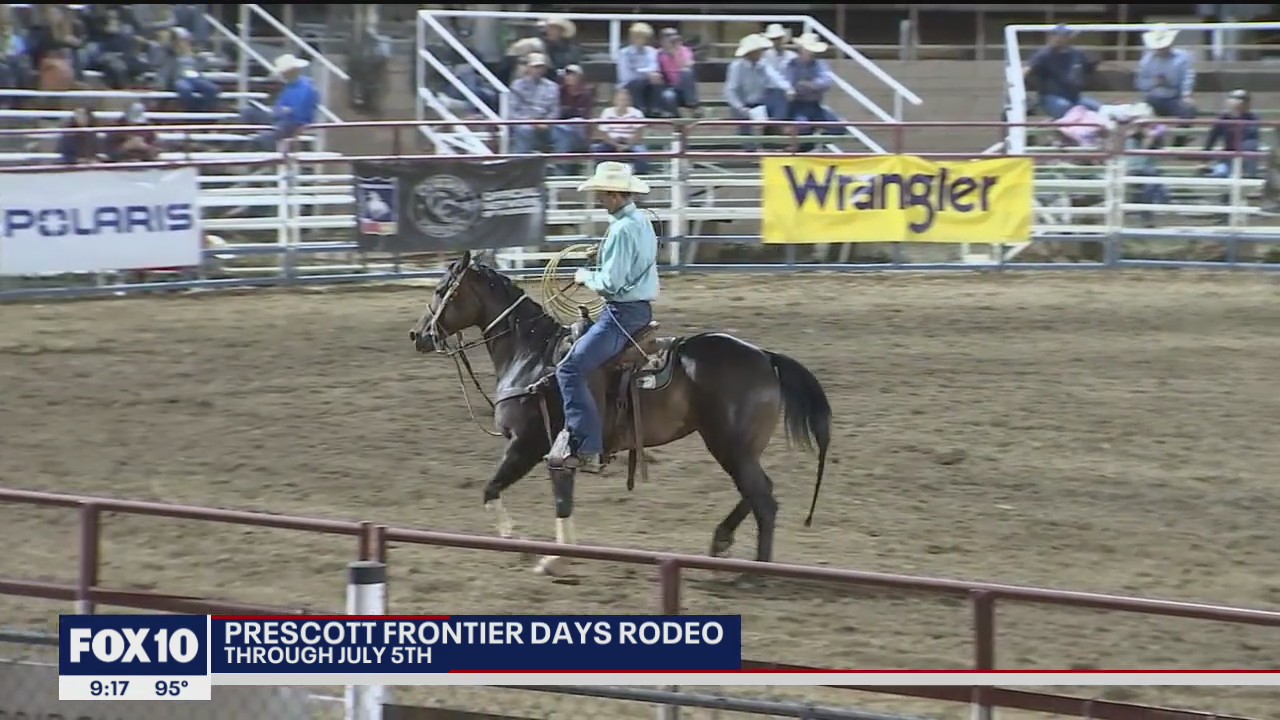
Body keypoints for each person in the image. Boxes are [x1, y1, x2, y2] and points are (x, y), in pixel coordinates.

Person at [551, 161, 660, 472]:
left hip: (621, 316)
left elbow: (611, 284)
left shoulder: (621, 229)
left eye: (601, 194)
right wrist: (601, 259)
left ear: (614, 195)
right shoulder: (641, 221)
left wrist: (586, 275)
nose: (599, 200)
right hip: (638, 309)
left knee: (569, 369)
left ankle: (588, 446)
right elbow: (632, 264)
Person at [724, 33, 793, 147]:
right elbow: (730, 91)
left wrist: (788, 88)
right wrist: (741, 107)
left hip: (759, 102)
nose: (761, 53)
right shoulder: (737, 67)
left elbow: (775, 77)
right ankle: (750, 150)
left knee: (779, 94)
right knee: (744, 121)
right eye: (759, 51)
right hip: (742, 104)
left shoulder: (763, 64)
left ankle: (772, 130)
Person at [241, 53, 320, 151]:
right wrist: (279, 111)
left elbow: (299, 112)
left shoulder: (307, 88)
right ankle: (240, 143)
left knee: (269, 135)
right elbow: (282, 107)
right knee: (248, 112)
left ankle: (267, 154)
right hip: (281, 119)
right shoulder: (289, 87)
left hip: (295, 123)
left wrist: (282, 111)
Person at [1024, 24, 1100, 120]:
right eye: (1054, 35)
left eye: (1061, 35)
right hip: (1051, 97)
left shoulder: (1078, 54)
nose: (1057, 38)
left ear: (1068, 38)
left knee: (1100, 109)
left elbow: (1088, 68)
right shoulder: (1043, 55)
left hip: (1075, 98)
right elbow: (1027, 69)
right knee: (1065, 108)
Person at [785, 32, 840, 151]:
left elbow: (827, 82)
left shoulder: (820, 64)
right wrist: (814, 85)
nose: (812, 53)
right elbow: (791, 86)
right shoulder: (792, 65)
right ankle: (806, 149)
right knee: (802, 127)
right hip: (797, 105)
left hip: (815, 105)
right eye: (809, 50)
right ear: (801, 49)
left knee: (838, 128)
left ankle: (816, 144)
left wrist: (810, 85)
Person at [1135, 25, 1196, 121]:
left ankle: (1181, 135)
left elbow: (1187, 78)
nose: (1161, 49)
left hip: (1174, 98)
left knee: (1188, 110)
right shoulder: (1147, 61)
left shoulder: (1183, 58)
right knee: (1139, 111)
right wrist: (1154, 82)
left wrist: (1186, 95)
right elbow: (1140, 83)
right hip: (1152, 98)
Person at [508, 52, 560, 154]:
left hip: (546, 125)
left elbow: (555, 110)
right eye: (536, 67)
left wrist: (547, 122)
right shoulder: (517, 86)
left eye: (541, 67)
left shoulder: (553, 86)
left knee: (564, 132)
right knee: (524, 130)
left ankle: (561, 167)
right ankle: (522, 164)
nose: (539, 70)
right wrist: (531, 122)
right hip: (524, 123)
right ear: (528, 68)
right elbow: (512, 113)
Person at [1204, 89, 1260, 179]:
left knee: (1250, 146)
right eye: (1236, 98)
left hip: (1246, 158)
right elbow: (1212, 139)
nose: (1239, 102)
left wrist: (1236, 116)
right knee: (1220, 173)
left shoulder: (1252, 118)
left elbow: (1248, 137)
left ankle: (1247, 175)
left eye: (1243, 99)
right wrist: (1204, 160)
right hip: (1228, 156)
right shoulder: (1223, 118)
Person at [592, 87, 649, 174]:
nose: (623, 102)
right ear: (615, 100)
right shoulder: (607, 112)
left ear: (629, 101)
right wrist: (616, 145)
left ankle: (641, 178)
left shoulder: (637, 113)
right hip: (611, 142)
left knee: (642, 153)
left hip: (631, 143)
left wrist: (628, 145)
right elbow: (603, 134)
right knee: (597, 150)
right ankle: (599, 177)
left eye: (625, 100)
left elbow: (639, 133)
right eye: (620, 99)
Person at [615, 22, 660, 116]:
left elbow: (654, 67)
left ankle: (655, 110)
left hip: (649, 82)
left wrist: (649, 73)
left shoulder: (652, 51)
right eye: (638, 37)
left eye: (644, 37)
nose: (641, 40)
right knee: (637, 83)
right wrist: (646, 73)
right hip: (629, 84)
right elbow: (625, 76)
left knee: (656, 80)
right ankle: (641, 111)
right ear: (632, 37)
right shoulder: (624, 53)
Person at [656, 27, 699, 118]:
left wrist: (675, 54)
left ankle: (692, 105)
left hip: (684, 86)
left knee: (686, 72)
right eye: (668, 39)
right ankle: (678, 121)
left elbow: (688, 66)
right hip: (670, 87)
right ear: (662, 41)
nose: (671, 42)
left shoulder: (685, 50)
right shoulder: (659, 54)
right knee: (668, 96)